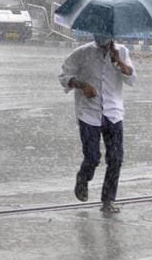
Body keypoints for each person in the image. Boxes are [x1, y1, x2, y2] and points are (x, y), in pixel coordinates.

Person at [58, 34, 136, 213]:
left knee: (115, 159)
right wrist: (81, 85)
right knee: (92, 157)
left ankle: (108, 200)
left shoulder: (122, 51)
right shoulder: (82, 53)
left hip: (113, 113)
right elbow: (64, 75)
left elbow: (131, 77)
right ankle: (83, 178)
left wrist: (119, 62)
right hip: (88, 113)